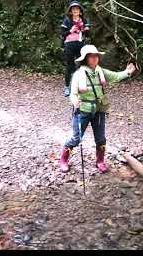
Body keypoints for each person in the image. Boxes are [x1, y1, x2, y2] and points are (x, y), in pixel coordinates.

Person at [58, 44, 136, 174]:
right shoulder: (78, 74)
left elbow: (115, 76)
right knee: (76, 138)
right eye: (91, 56)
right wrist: (74, 100)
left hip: (99, 110)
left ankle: (100, 161)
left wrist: (127, 72)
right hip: (83, 111)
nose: (94, 58)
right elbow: (73, 93)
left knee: (101, 139)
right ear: (85, 59)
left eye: (96, 56)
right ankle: (63, 160)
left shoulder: (101, 71)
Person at [61, 0, 91, 97]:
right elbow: (62, 34)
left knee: (80, 66)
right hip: (69, 44)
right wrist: (70, 30)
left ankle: (79, 87)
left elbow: (87, 34)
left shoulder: (84, 20)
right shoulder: (67, 20)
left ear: (80, 11)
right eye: (73, 9)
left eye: (77, 9)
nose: (75, 11)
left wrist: (86, 30)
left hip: (80, 44)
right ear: (70, 11)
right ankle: (67, 87)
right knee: (69, 66)